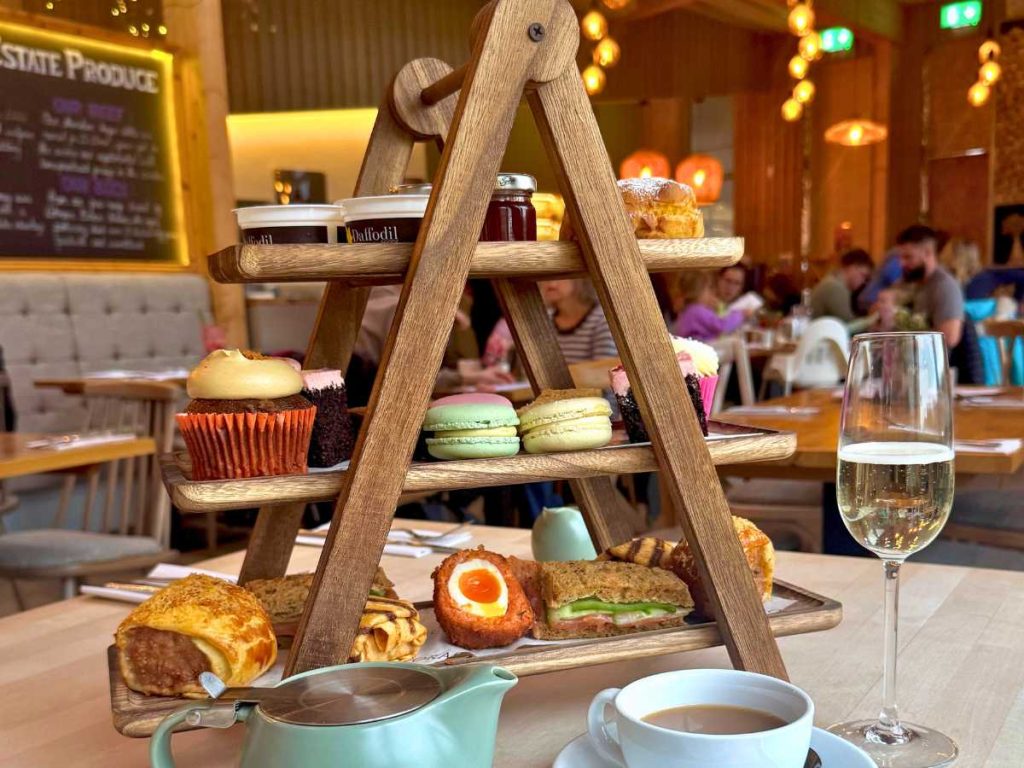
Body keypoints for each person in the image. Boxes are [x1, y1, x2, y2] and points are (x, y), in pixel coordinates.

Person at [896, 224, 964, 349]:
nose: (902, 263)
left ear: (927, 253)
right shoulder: (915, 283)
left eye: (908, 257)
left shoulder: (944, 286)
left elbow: (949, 338)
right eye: (901, 257)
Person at [539, 278, 617, 363]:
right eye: (544, 277)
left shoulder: (602, 319)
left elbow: (604, 370)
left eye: (559, 276)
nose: (551, 284)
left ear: (579, 280)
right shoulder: (543, 321)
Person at [809, 248, 875, 333]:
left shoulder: (831, 281)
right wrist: (873, 319)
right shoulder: (834, 287)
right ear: (852, 268)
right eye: (863, 275)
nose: (863, 281)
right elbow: (849, 326)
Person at [673, 271, 749, 342]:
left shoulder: (687, 310)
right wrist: (740, 315)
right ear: (698, 291)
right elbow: (721, 326)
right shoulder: (698, 310)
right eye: (709, 289)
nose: (711, 293)